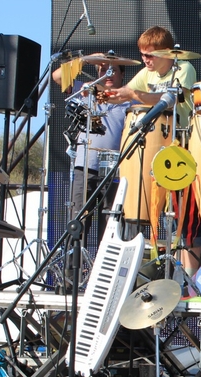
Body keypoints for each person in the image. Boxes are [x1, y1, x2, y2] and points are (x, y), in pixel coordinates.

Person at [107, 26, 201, 275]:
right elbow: (126, 95)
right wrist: (105, 95)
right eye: (142, 55)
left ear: (166, 53)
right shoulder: (146, 73)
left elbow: (166, 100)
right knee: (140, 212)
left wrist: (133, 94)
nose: (145, 60)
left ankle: (187, 279)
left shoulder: (184, 68)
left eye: (149, 55)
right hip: (151, 148)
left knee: (185, 219)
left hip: (181, 149)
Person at [52, 56, 130, 241]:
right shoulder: (85, 90)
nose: (108, 74)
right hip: (84, 166)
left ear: (122, 74)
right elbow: (57, 76)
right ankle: (75, 260)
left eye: (113, 70)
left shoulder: (129, 98)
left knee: (110, 225)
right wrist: (87, 59)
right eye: (103, 70)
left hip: (113, 170)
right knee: (77, 222)